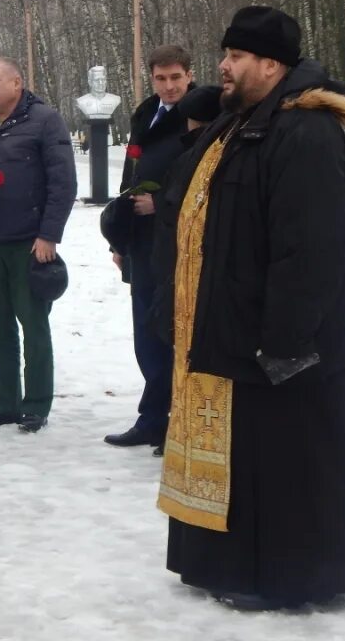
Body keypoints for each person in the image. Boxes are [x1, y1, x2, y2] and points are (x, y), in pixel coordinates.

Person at [154, 6, 345, 609]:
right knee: (248, 459)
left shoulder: (303, 133)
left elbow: (313, 250)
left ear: (271, 65)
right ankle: (232, 567)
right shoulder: (242, 123)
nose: (222, 68)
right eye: (225, 56)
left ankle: (280, 579)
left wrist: (284, 341)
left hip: (284, 342)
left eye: (235, 58)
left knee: (283, 464)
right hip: (234, 326)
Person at [0, 57, 77, 433]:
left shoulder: (45, 121)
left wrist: (49, 235)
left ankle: (36, 405)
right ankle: (5, 402)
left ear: (17, 83)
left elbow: (63, 183)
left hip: (30, 244)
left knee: (33, 326)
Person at [103, 45, 194, 454]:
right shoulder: (145, 112)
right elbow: (130, 177)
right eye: (161, 78)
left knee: (173, 332)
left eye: (176, 77)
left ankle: (179, 422)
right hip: (140, 242)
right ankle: (153, 419)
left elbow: (203, 176)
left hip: (179, 242)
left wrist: (163, 204)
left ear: (189, 75)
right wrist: (119, 239)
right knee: (147, 335)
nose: (169, 86)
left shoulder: (201, 115)